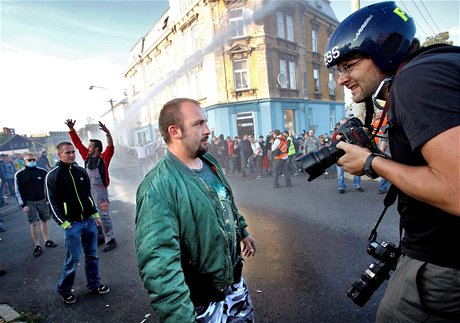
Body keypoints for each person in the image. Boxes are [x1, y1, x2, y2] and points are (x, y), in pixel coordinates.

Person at [325, 2, 460, 321]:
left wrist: (372, 162)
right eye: (339, 71)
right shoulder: (440, 63)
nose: (342, 80)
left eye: (350, 65)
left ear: (383, 49)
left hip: (442, 264)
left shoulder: (416, 80)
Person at [135, 98, 256, 322]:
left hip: (234, 286)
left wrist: (243, 231)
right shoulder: (157, 187)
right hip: (201, 303)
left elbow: (225, 203)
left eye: (206, 123)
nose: (208, 130)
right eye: (198, 124)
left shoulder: (209, 161)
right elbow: (160, 269)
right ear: (175, 131)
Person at [45, 141, 110, 304]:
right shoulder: (53, 176)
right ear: (59, 155)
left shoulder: (81, 171)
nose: (72, 155)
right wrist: (65, 224)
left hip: (88, 221)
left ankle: (94, 284)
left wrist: (95, 215)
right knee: (73, 259)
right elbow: (51, 204)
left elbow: (88, 195)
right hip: (72, 224)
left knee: (92, 256)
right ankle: (65, 290)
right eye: (67, 152)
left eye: (73, 152)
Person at [65, 119, 117, 252]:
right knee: (93, 215)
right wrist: (72, 130)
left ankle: (110, 239)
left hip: (101, 192)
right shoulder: (86, 157)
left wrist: (107, 133)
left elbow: (111, 146)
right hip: (88, 192)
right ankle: (100, 235)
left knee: (104, 215)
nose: (88, 148)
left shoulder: (104, 158)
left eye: (91, 146)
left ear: (97, 148)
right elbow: (77, 144)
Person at [15, 152, 58, 257]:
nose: (32, 162)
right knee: (33, 223)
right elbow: (18, 191)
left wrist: (50, 199)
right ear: (24, 162)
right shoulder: (19, 174)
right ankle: (37, 245)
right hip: (29, 202)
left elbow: (48, 186)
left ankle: (47, 240)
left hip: (42, 200)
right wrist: (23, 205)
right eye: (29, 160)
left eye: (33, 160)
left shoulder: (42, 171)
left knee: (45, 220)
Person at [333, 117, 363, 194]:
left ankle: (357, 185)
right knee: (340, 172)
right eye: (341, 124)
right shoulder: (336, 133)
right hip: (340, 155)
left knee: (357, 169)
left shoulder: (353, 131)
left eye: (344, 124)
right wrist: (337, 139)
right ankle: (341, 187)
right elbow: (333, 144)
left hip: (353, 154)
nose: (342, 126)